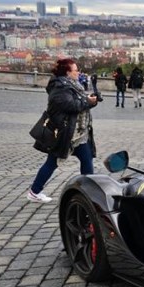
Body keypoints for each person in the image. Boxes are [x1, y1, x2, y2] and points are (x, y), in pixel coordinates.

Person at [27, 58, 99, 203]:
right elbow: (71, 105)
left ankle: (88, 192)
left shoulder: (73, 85)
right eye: (75, 70)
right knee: (52, 163)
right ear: (67, 73)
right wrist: (87, 101)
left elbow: (80, 104)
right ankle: (34, 191)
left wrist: (92, 100)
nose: (78, 72)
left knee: (87, 159)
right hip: (66, 134)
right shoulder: (59, 87)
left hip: (78, 133)